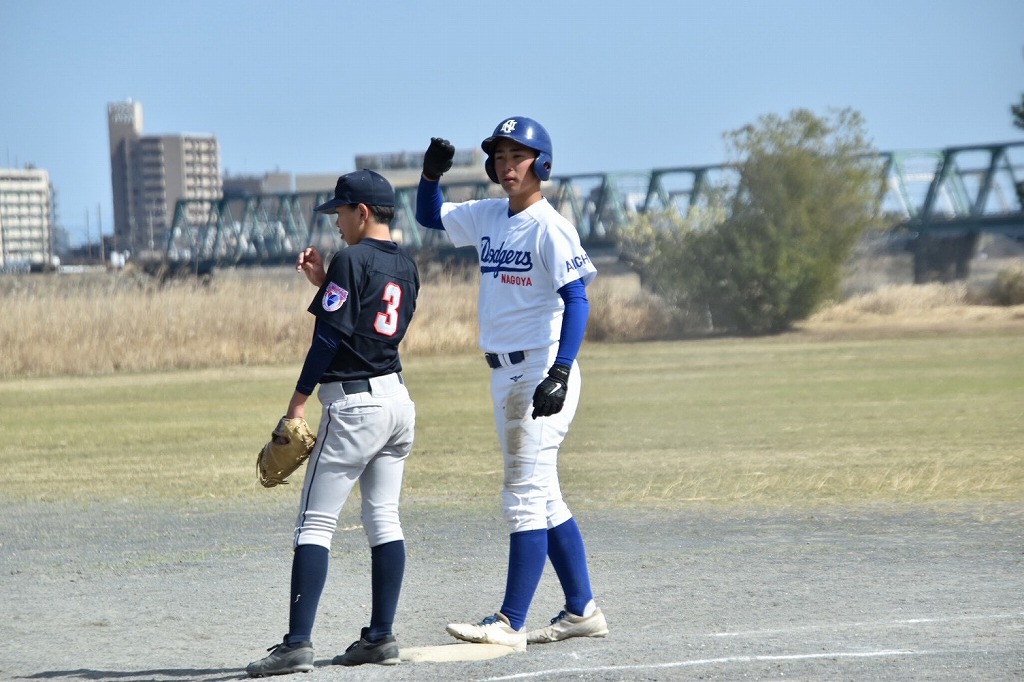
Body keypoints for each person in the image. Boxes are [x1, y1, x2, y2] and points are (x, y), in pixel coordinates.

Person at [414, 117, 608, 650]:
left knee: (522, 496)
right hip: (505, 374)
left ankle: (509, 621)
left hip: (540, 370)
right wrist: (430, 177)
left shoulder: (550, 226)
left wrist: (561, 371)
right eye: (499, 157)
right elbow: (429, 217)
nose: (507, 166)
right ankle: (581, 609)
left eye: (517, 156)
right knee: (545, 499)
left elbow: (577, 300)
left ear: (541, 163)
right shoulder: (488, 215)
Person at [246, 169, 420, 676]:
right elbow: (368, 326)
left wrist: (297, 404)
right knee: (383, 519)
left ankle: (296, 644)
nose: (337, 223)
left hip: (355, 407)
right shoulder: (406, 265)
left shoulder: (351, 258)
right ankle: (380, 637)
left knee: (314, 524)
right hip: (397, 402)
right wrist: (324, 284)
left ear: (362, 212)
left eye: (341, 213)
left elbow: (327, 339)